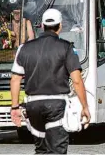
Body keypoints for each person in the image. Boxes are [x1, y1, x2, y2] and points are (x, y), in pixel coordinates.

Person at [10, 9, 91, 154]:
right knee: (57, 149)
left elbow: (15, 79)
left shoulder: (24, 48)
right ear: (60, 26)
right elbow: (77, 81)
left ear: (41, 25)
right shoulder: (66, 47)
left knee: (41, 150)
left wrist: (15, 107)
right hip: (56, 105)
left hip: (33, 106)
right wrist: (85, 107)